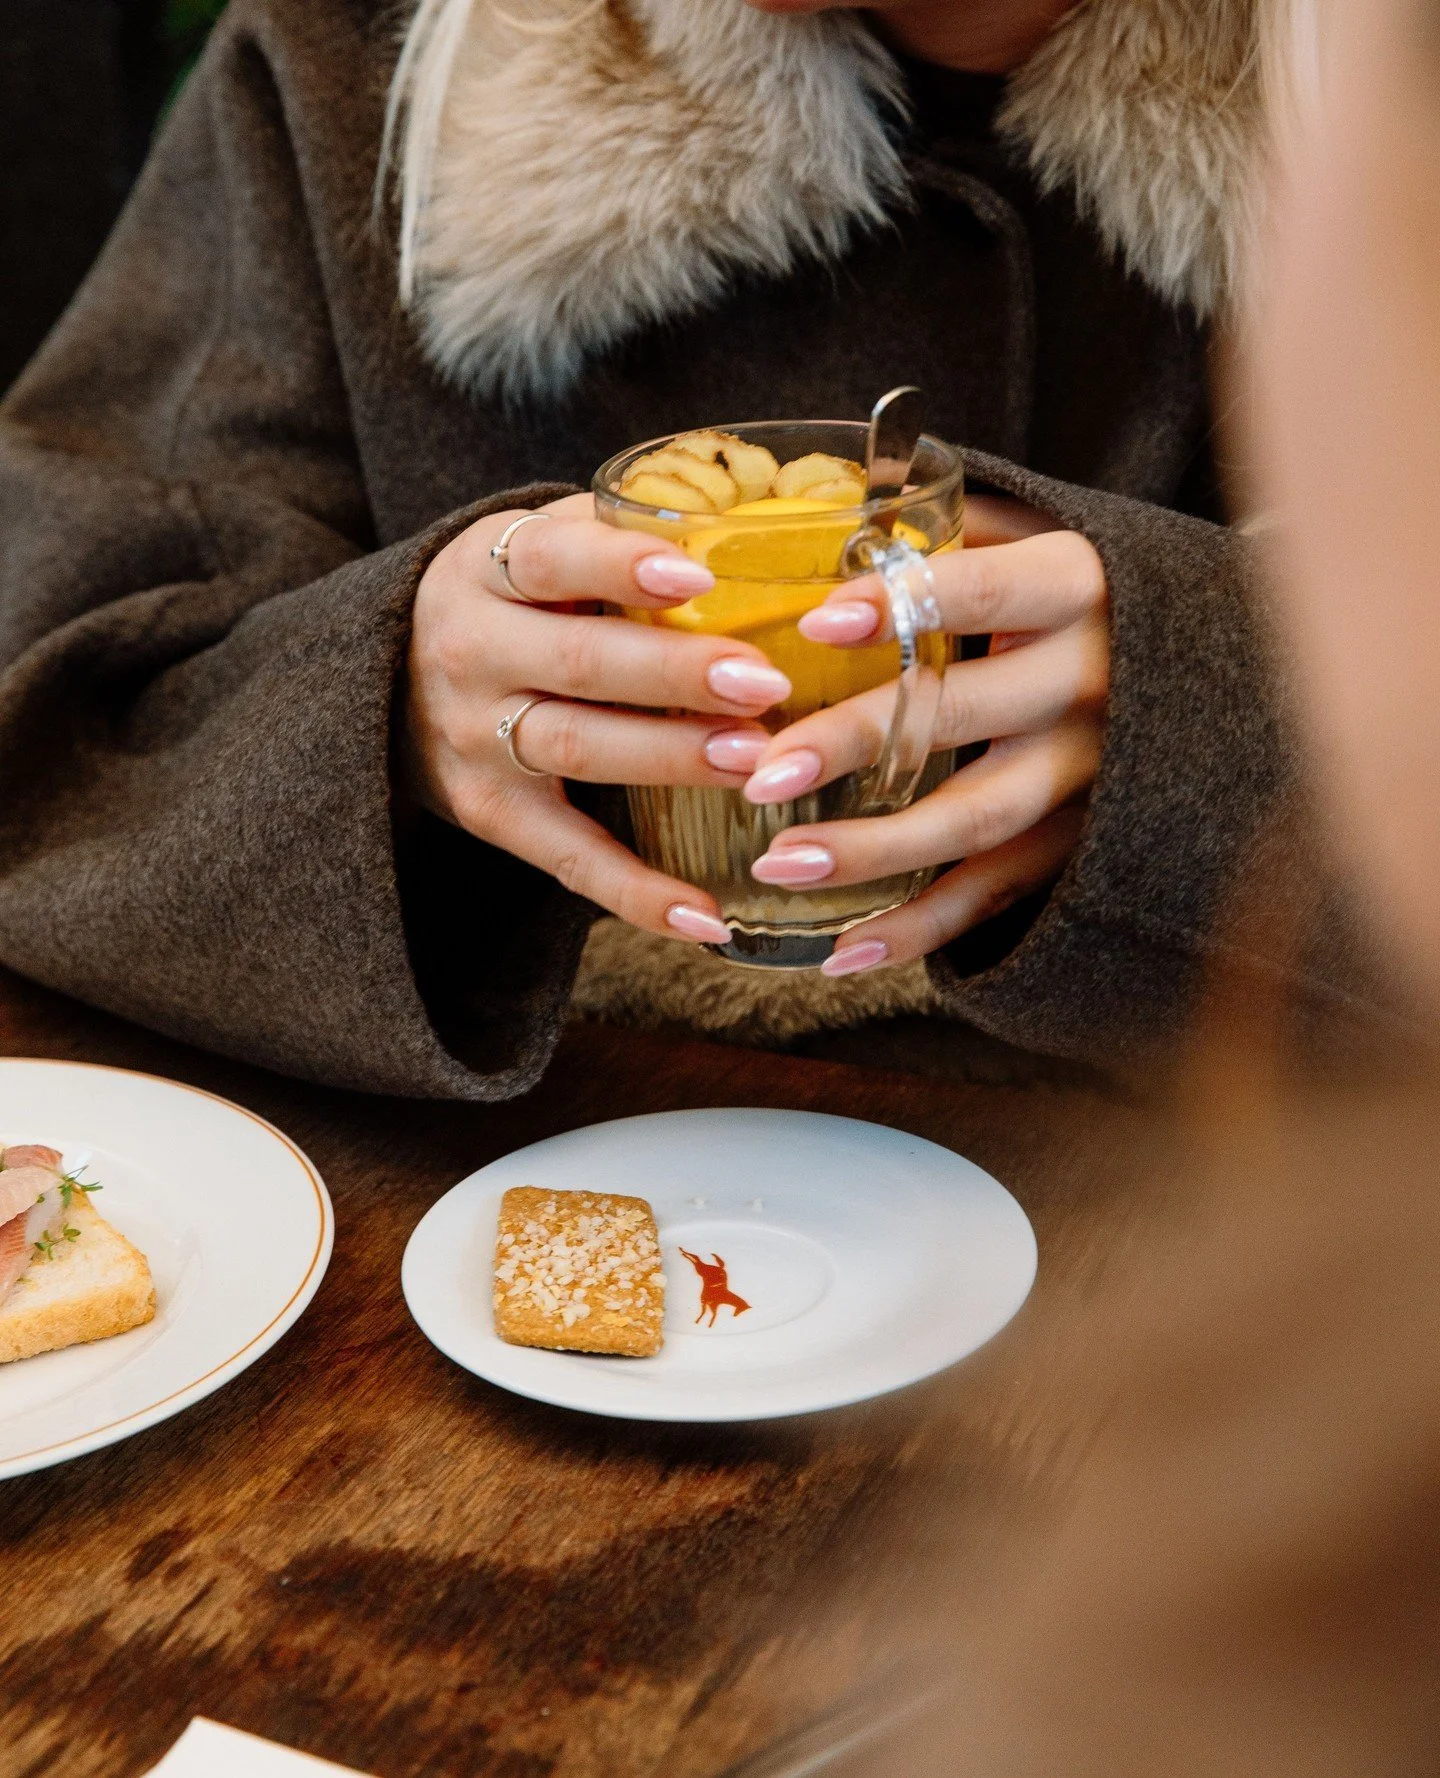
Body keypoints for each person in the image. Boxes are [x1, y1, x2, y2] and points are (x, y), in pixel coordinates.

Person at [0, 0, 1360, 1098]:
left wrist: (1212, 718)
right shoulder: (352, 59)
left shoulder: (1385, 131)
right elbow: (51, 723)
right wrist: (385, 719)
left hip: (1255, 1310)